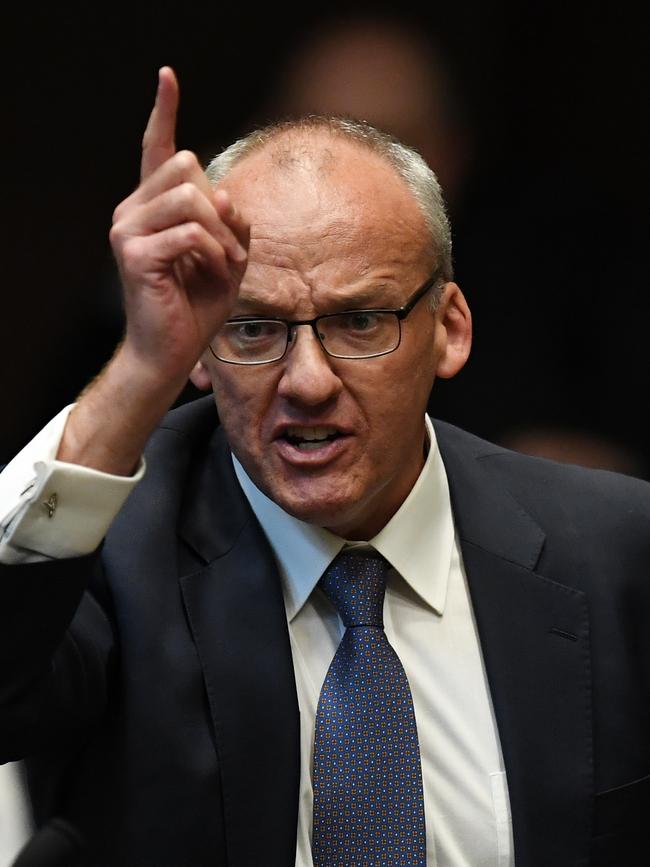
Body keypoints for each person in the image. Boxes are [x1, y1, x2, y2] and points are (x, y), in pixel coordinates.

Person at [0, 67, 647, 867]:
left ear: (450, 328)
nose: (307, 381)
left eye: (362, 319)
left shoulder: (617, 548)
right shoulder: (114, 551)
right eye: (253, 329)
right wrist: (140, 365)